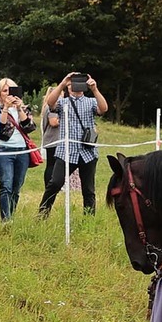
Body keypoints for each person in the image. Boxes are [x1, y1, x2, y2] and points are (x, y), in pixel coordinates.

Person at [39, 70, 108, 216]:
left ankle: (88, 220)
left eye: (79, 83)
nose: (75, 86)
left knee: (88, 190)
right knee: (54, 183)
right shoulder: (62, 102)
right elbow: (50, 103)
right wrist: (63, 83)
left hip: (87, 152)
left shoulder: (91, 102)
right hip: (65, 152)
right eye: (72, 84)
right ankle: (42, 214)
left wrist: (94, 89)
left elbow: (103, 109)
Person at [0, 78, 36, 221]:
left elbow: (29, 127)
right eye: (5, 91)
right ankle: (6, 220)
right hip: (3, 150)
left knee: (17, 187)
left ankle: (11, 214)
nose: (9, 94)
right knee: (6, 185)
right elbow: (0, 129)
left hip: (22, 150)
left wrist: (19, 108)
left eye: (12, 90)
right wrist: (5, 108)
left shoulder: (24, 108)